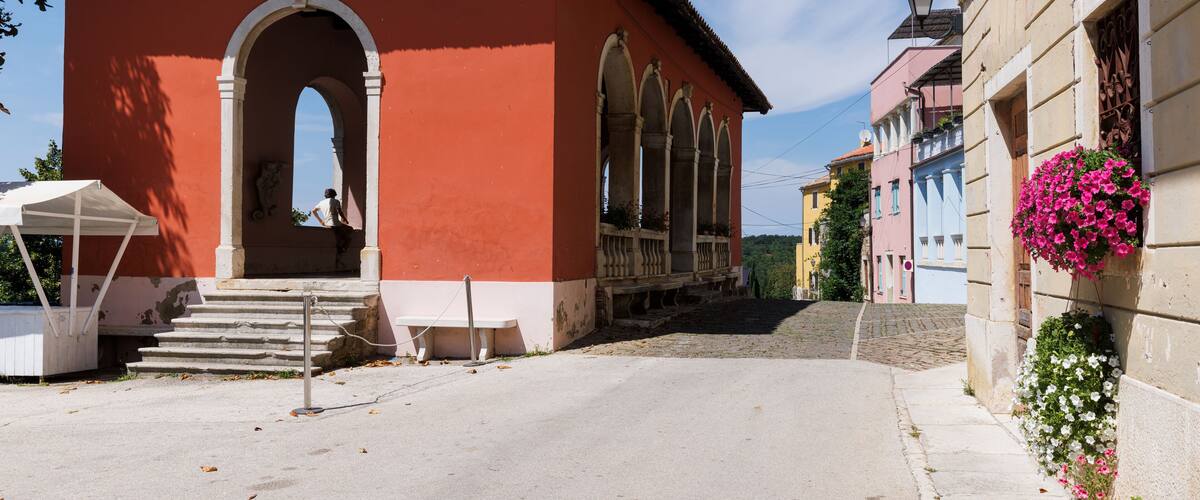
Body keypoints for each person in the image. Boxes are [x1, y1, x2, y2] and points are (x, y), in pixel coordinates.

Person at [311, 188, 355, 261]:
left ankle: (339, 245)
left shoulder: (321, 202)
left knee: (340, 233)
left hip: (326, 224)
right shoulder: (336, 201)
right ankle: (341, 250)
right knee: (349, 235)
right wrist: (345, 219)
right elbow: (340, 211)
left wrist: (320, 221)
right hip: (335, 224)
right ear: (334, 195)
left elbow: (313, 211)